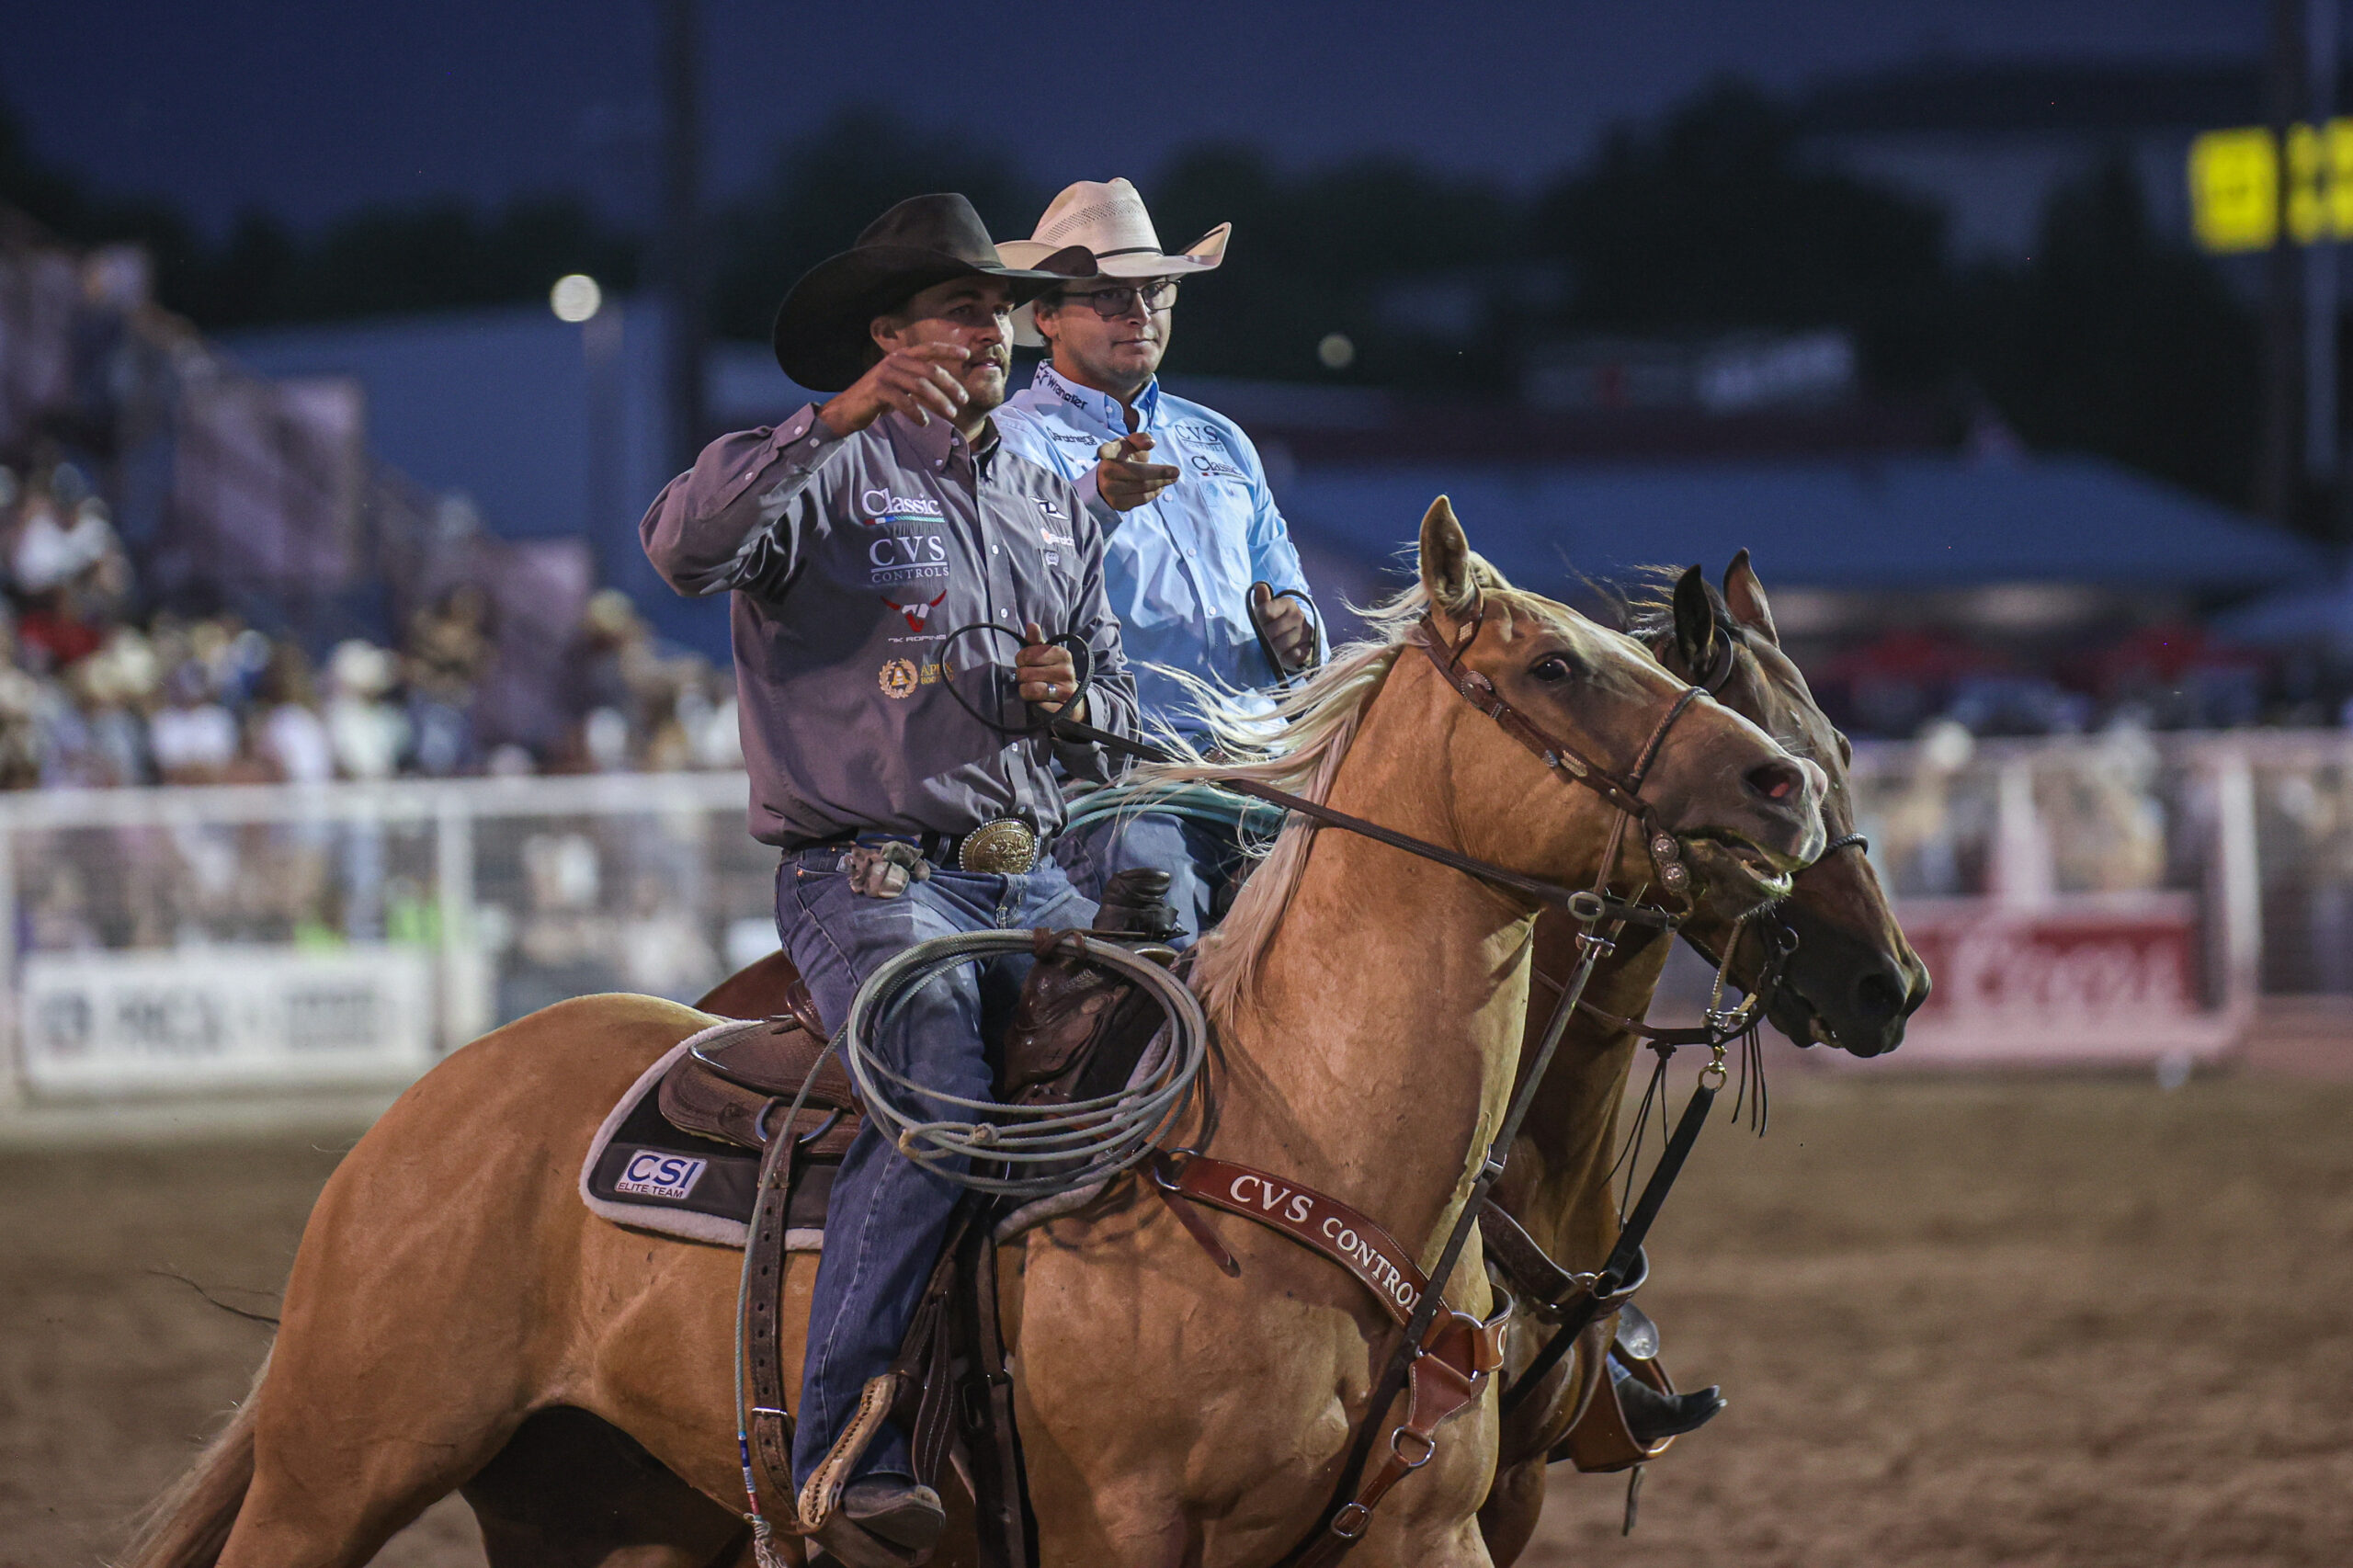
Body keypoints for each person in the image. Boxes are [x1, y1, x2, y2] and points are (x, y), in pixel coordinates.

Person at [641, 193, 1132, 1567]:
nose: (989, 330)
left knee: (1187, 1050)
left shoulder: (1050, 497)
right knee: (939, 1090)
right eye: (959, 309)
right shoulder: (814, 467)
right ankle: (844, 1454)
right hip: (868, 876)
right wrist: (841, 415)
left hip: (1030, 872)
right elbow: (683, 548)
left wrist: (1072, 693)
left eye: (996, 308)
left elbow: (1114, 703)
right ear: (887, 333)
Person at [995, 178, 1322, 944]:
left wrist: (1298, 629)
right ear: (1045, 315)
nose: (1138, 314)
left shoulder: (1220, 437)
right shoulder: (1012, 440)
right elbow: (1006, 585)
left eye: (1156, 291)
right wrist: (1097, 499)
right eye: (1109, 296)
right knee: (1162, 961)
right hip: (1119, 780)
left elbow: (1283, 570)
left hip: (1258, 767)